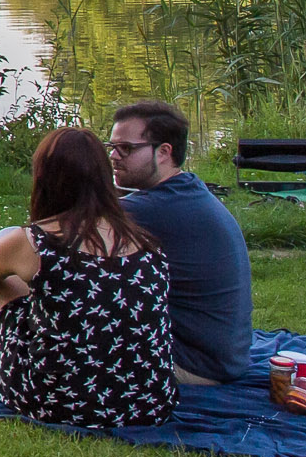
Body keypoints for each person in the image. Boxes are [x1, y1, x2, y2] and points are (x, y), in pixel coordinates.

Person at [0, 127, 176, 430]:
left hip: (60, 402)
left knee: (1, 283)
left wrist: (17, 258)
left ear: (45, 179)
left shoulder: (37, 240)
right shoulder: (145, 242)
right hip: (148, 401)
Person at [105, 100, 253, 384]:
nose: (113, 156)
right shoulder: (187, 190)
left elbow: (43, 241)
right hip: (223, 356)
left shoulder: (149, 209)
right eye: (111, 146)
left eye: (126, 148)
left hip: (194, 365)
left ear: (163, 152)